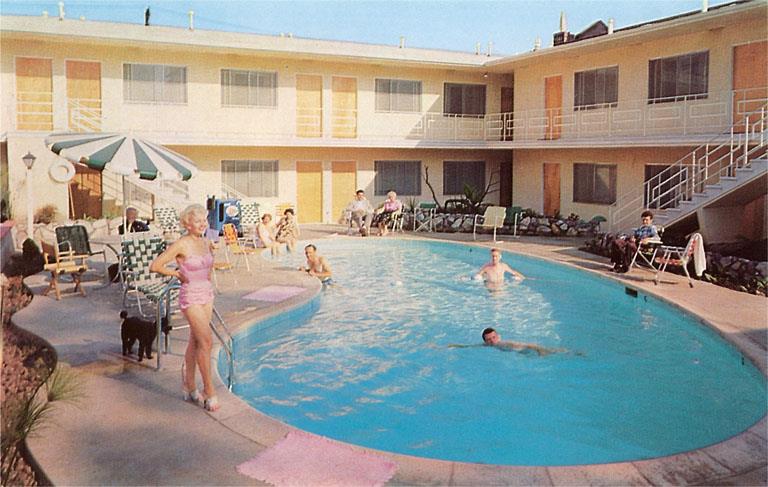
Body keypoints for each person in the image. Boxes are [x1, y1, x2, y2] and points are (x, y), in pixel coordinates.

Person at [149, 204, 219, 412]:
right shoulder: (181, 244)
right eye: (198, 221)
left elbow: (208, 268)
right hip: (190, 296)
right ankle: (209, 391)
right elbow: (156, 266)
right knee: (206, 341)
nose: (203, 224)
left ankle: (188, 383)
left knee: (196, 340)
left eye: (204, 220)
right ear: (187, 224)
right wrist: (177, 274)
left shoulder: (205, 242)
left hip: (206, 293)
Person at [481, 327, 566, 356]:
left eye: (494, 337)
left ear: (499, 336)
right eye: (489, 339)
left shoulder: (505, 343)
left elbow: (527, 345)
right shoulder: (488, 345)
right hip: (523, 353)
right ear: (486, 342)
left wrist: (540, 350)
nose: (492, 341)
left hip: (528, 349)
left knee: (552, 351)